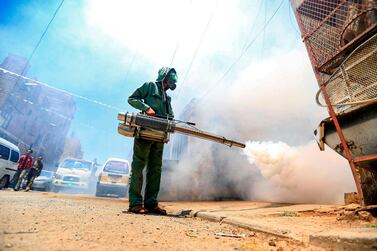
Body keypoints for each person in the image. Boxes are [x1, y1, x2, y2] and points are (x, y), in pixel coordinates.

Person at [127, 67, 177, 214]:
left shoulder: (167, 98)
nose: (169, 84)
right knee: (138, 167)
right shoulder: (149, 86)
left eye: (171, 83)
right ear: (164, 77)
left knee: (155, 170)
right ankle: (135, 203)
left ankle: (151, 203)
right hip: (144, 133)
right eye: (168, 80)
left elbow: (171, 116)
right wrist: (146, 107)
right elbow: (132, 99)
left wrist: (171, 122)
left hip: (159, 136)